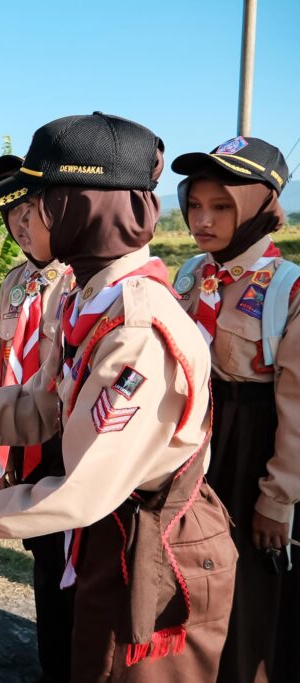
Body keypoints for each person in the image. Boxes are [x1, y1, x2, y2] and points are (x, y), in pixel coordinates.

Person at [0, 113, 237, 681]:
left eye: (42, 201)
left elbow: (85, 489)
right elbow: (42, 403)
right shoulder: (85, 298)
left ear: (83, 206)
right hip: (106, 531)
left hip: (150, 544)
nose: (24, 220)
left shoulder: (138, 330)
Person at [171, 136, 299, 683]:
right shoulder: (190, 275)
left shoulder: (287, 289)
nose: (203, 219)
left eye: (222, 205)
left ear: (258, 206)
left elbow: (295, 408)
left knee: (246, 601)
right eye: (195, 204)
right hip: (188, 450)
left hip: (248, 458)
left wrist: (278, 498)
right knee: (183, 585)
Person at [0, 154, 76, 682]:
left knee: (73, 563)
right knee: (44, 559)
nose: (19, 226)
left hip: (65, 441)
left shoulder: (78, 281)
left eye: (27, 211)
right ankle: (52, 662)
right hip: (22, 439)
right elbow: (5, 366)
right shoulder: (14, 281)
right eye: (9, 217)